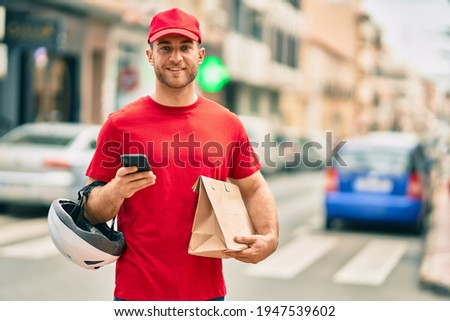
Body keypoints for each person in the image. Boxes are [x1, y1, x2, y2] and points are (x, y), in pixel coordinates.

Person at [83, 7, 279, 301]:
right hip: (136, 295)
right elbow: (88, 208)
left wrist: (270, 238)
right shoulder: (120, 124)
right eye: (165, 47)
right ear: (150, 56)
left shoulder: (227, 124)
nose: (176, 57)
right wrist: (116, 190)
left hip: (207, 296)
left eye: (185, 47)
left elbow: (253, 187)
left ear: (200, 55)